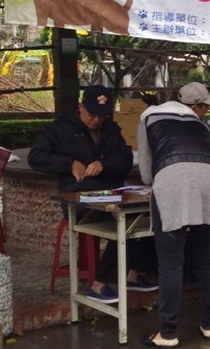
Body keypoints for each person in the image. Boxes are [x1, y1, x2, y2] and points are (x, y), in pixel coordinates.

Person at [29, 85, 158, 304]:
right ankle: (98, 285)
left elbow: (125, 159)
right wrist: (69, 164)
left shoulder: (110, 129)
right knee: (126, 223)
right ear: (81, 107)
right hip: (78, 199)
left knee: (148, 217)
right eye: (92, 114)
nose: (96, 120)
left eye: (102, 115)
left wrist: (103, 164)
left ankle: (132, 274)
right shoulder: (61, 128)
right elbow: (36, 157)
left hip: (113, 193)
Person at [137, 82, 210, 348]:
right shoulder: (201, 125)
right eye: (206, 107)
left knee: (171, 262)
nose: (206, 112)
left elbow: (145, 171)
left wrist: (159, 183)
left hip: (171, 179)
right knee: (207, 257)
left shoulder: (148, 117)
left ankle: (168, 332)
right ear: (195, 107)